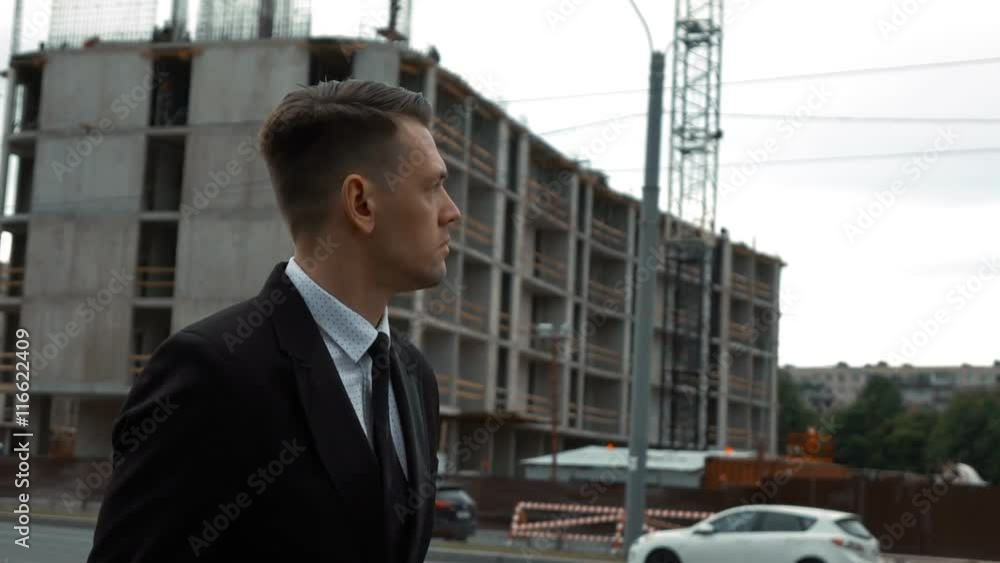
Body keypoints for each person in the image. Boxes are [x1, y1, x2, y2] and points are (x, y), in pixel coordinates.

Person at [87, 79, 461, 563]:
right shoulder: (211, 372)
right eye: (433, 186)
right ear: (361, 203)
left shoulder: (414, 377)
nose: (451, 212)